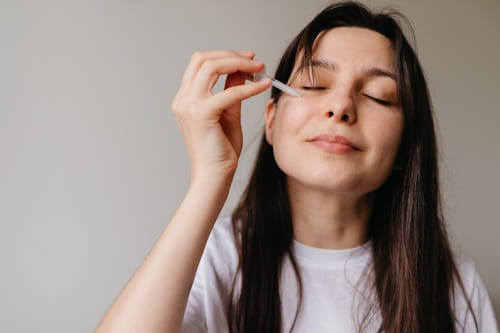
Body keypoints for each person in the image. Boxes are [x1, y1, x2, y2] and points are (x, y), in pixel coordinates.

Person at [95, 2, 498, 332]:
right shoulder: (213, 259)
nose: (340, 106)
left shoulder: (453, 286)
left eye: (378, 95)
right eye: (314, 85)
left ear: (406, 146)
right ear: (271, 121)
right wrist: (209, 180)